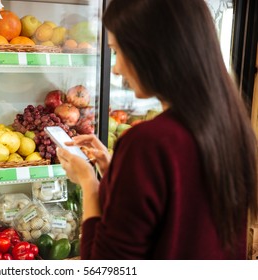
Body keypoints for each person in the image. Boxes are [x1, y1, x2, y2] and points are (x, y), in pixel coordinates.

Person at [56, 0, 258, 259]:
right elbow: (181, 213)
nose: (116, 69)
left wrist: (89, 183)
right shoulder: (229, 125)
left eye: (118, 51)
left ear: (151, 51)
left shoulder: (148, 142)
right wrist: (114, 172)